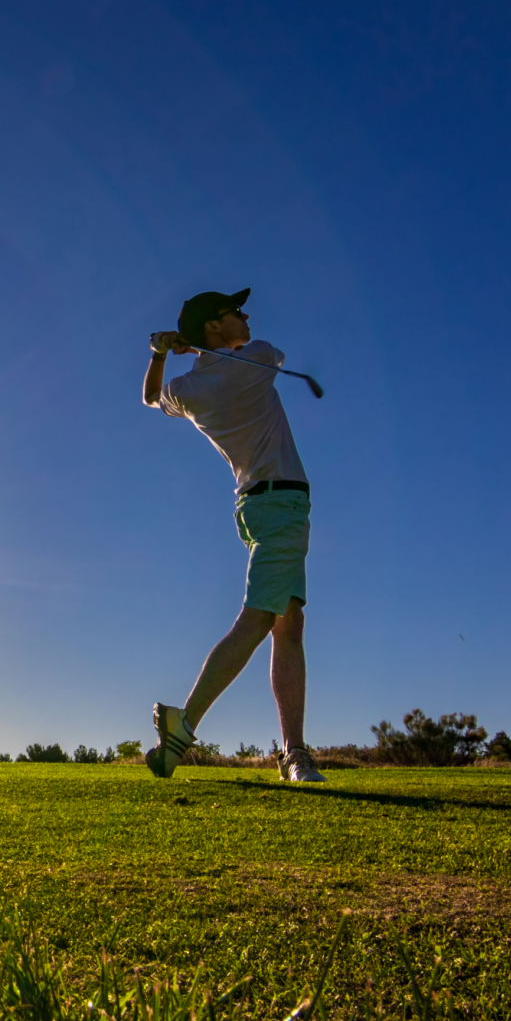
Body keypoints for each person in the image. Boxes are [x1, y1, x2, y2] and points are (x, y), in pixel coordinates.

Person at [141, 288, 325, 783]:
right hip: (282, 506)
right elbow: (268, 353)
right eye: (233, 311)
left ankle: (293, 752)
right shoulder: (259, 356)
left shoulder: (187, 389)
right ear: (213, 326)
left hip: (252, 508)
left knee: (288, 624)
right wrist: (196, 347)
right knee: (261, 619)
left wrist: (162, 352)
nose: (245, 315)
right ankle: (184, 725)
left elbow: (151, 397)